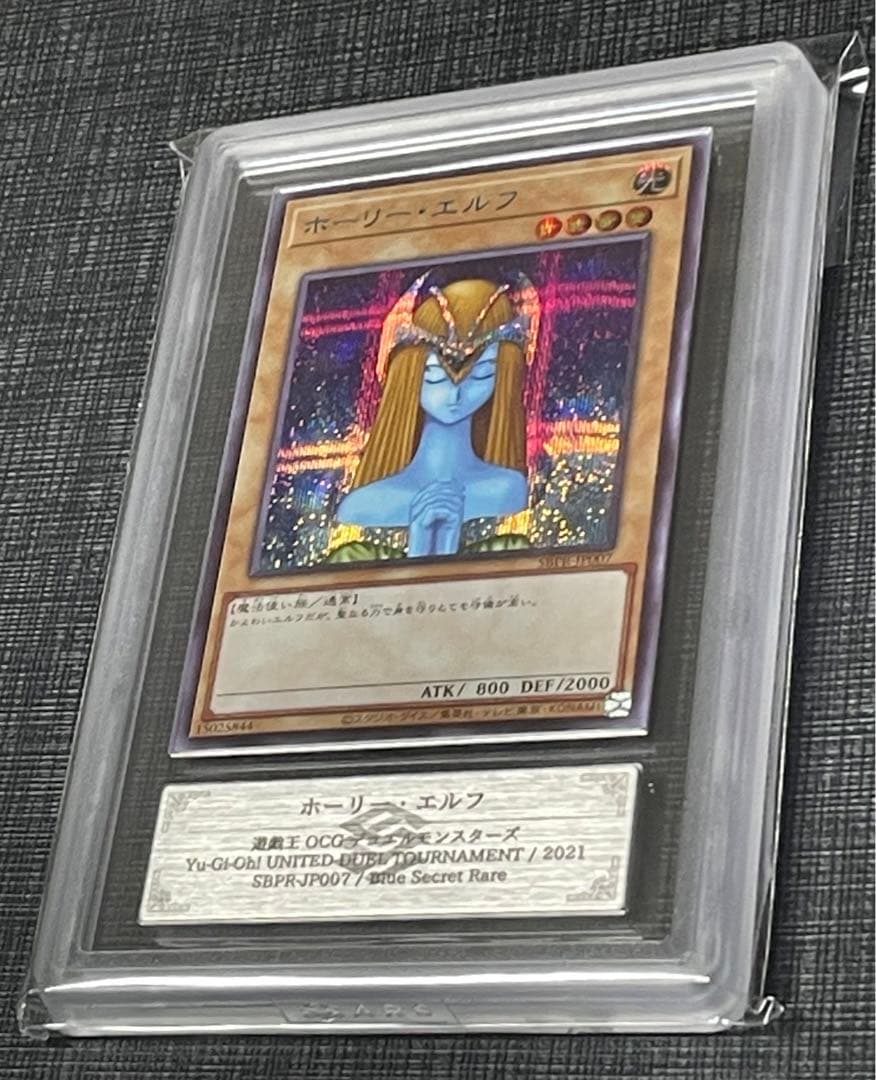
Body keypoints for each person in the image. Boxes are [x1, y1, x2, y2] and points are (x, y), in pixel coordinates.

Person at [334, 275, 531, 558]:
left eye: (482, 374)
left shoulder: (509, 490)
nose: (456, 394)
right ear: (410, 373)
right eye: (435, 376)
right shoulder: (361, 505)